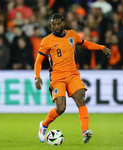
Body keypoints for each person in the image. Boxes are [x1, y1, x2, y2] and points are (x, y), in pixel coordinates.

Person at [34, 13, 112, 144]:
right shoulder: (47, 41)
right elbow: (38, 61)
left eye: (58, 23)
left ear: (64, 23)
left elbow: (85, 44)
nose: (56, 26)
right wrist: (37, 77)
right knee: (60, 108)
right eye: (53, 24)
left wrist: (101, 47)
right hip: (57, 77)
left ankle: (85, 132)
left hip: (72, 74)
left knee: (80, 98)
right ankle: (44, 124)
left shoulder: (72, 35)